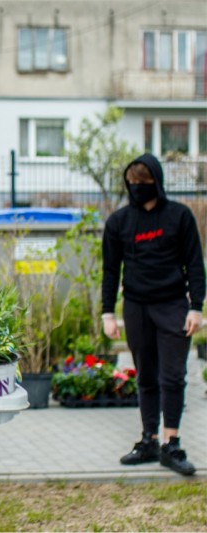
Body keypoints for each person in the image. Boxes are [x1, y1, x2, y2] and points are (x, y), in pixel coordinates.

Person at [102, 153, 204, 477]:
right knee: (146, 376)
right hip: (136, 308)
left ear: (156, 183)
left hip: (173, 306)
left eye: (143, 184)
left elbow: (196, 265)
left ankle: (171, 444)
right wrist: (107, 313)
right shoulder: (118, 222)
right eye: (131, 184)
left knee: (172, 377)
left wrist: (196, 307)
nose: (136, 189)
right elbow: (110, 270)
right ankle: (149, 439)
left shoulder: (179, 216)